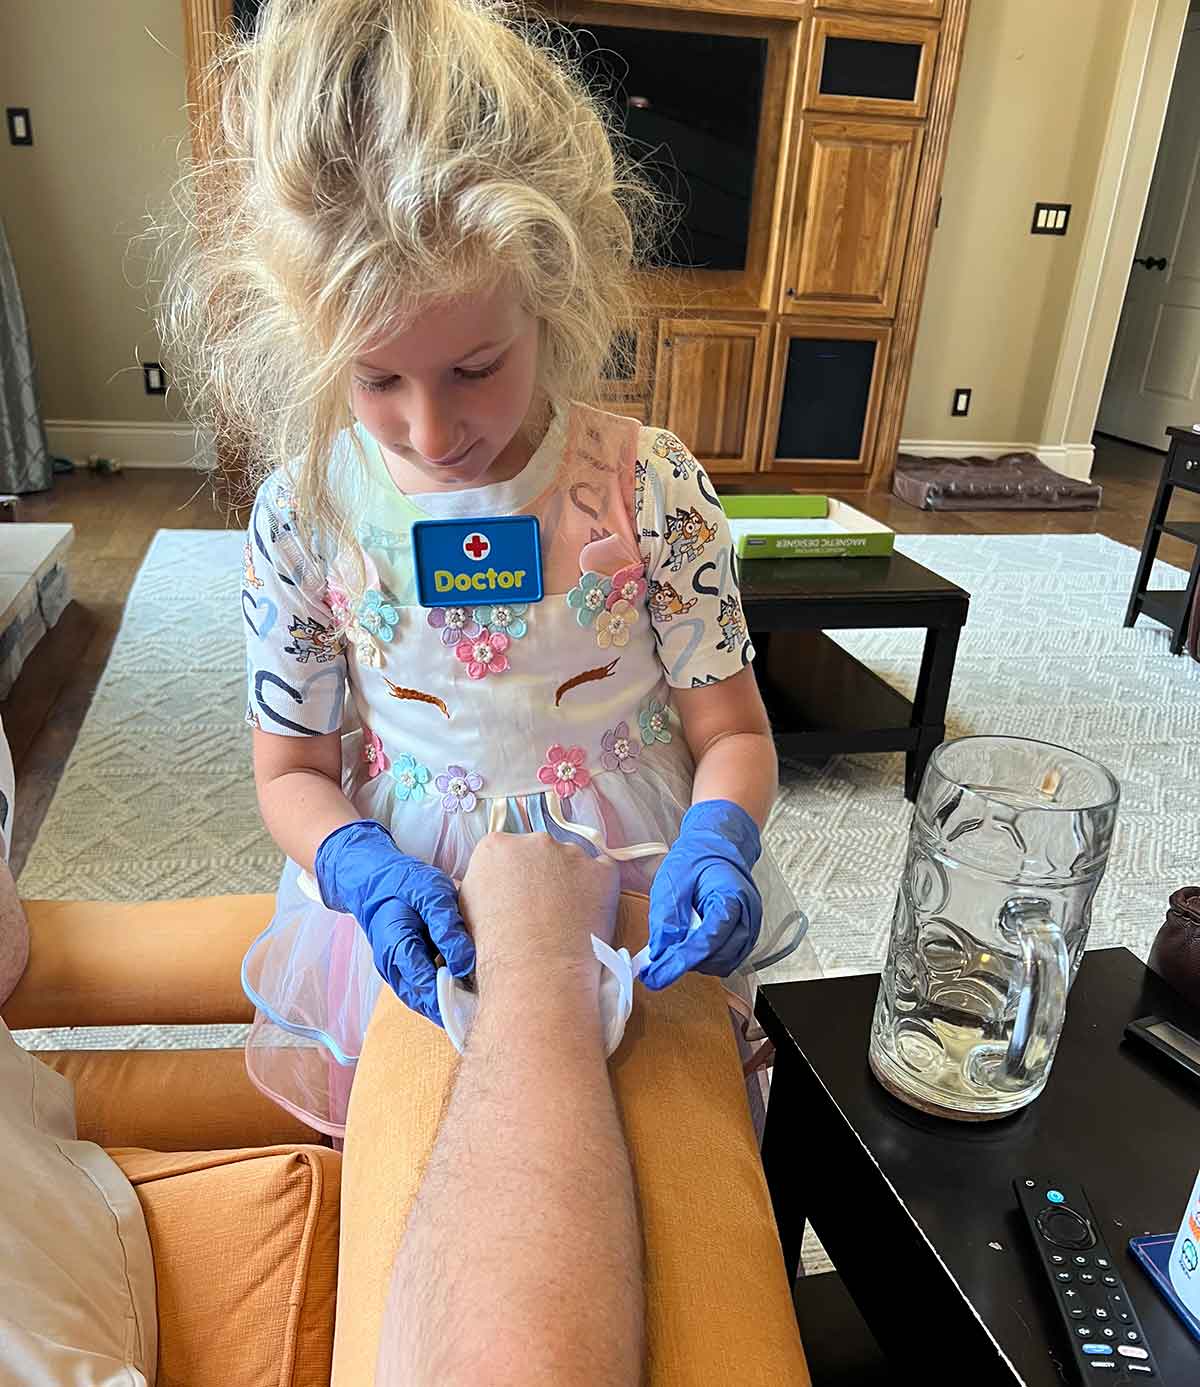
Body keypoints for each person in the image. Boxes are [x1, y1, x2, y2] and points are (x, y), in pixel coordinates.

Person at [161, 0, 818, 1138]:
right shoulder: (309, 512)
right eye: (376, 380)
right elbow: (291, 772)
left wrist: (723, 835)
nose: (430, 431)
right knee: (430, 1150)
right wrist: (356, 862)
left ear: (548, 296)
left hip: (626, 889)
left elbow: (735, 733)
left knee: (645, 1136)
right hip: (422, 905)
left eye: (474, 366)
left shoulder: (650, 487)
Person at [377, 830, 642, 1386]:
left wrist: (720, 820)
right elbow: (289, 772)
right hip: (429, 884)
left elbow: (732, 737)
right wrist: (347, 853)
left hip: (624, 855)